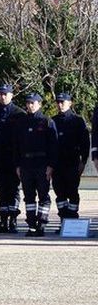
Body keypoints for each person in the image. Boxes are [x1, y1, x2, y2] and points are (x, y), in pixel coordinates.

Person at [14, 93, 58, 237]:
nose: (30, 105)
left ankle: (42, 224)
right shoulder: (22, 122)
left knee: (43, 195)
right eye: (28, 103)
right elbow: (17, 145)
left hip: (42, 164)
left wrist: (51, 165)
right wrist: (18, 165)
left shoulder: (46, 121)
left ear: (39, 104)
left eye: (33, 103)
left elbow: (53, 146)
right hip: (26, 164)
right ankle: (31, 225)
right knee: (29, 196)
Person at [0, 84, 26, 233]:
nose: (3, 96)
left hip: (13, 157)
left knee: (13, 189)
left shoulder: (19, 114)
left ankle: (13, 220)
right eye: (0, 94)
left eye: (6, 94)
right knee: (1, 189)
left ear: (12, 95)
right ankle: (3, 219)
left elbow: (23, 139)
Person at [51, 93, 89, 226]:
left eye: (63, 102)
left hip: (72, 162)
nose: (60, 104)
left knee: (72, 192)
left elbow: (85, 143)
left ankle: (72, 221)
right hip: (57, 164)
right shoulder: (53, 120)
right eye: (58, 102)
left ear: (70, 103)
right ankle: (63, 221)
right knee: (59, 193)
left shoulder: (77, 120)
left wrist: (83, 161)